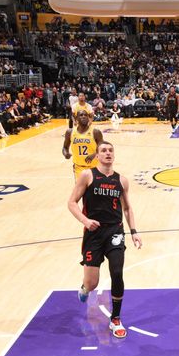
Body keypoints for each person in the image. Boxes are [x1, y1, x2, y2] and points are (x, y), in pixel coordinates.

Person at [67, 141, 142, 338]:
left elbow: (127, 208)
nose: (107, 153)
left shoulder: (122, 181)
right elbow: (71, 202)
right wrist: (85, 220)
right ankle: (84, 288)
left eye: (110, 150)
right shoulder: (88, 175)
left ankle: (115, 319)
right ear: (97, 155)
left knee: (117, 272)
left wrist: (133, 231)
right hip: (94, 234)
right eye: (103, 151)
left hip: (115, 232)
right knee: (92, 283)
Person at [63, 110, 104, 180]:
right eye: (81, 115)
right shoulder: (70, 132)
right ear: (76, 119)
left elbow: (103, 149)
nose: (83, 116)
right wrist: (66, 154)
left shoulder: (96, 132)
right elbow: (65, 147)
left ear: (88, 118)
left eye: (85, 115)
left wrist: (94, 155)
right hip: (78, 168)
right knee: (80, 190)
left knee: (93, 190)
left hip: (94, 167)